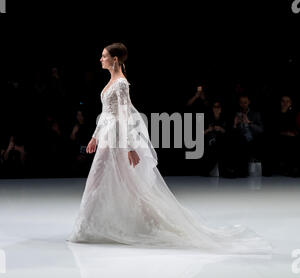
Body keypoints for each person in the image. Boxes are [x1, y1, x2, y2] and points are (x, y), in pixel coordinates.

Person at [67, 42, 272, 255]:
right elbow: (107, 114)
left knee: (121, 184)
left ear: (115, 59)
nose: (101, 59)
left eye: (104, 56)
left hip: (118, 140)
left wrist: (129, 146)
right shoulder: (111, 82)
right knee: (109, 182)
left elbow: (125, 116)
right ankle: (92, 227)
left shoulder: (120, 84)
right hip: (108, 137)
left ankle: (109, 227)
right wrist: (94, 137)